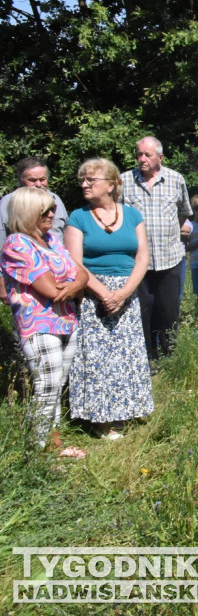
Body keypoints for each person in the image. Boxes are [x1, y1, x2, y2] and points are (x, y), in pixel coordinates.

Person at [65, 158, 154, 441]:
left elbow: (142, 256)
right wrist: (105, 294)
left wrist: (125, 293)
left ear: (112, 184)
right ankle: (100, 420)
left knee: (127, 356)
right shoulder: (77, 217)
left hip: (127, 294)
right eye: (83, 180)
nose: (84, 184)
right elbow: (75, 263)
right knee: (99, 358)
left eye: (91, 180)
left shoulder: (132, 215)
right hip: (94, 296)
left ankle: (127, 410)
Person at [2, 186, 88, 456]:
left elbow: (81, 272)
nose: (53, 213)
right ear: (28, 212)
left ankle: (54, 444)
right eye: (46, 210)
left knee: (56, 385)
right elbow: (50, 289)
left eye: (53, 208)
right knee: (46, 386)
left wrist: (75, 283)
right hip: (39, 325)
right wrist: (74, 285)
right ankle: (37, 451)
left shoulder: (50, 240)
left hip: (65, 321)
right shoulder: (17, 244)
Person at [120, 136, 192, 359]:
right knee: (143, 309)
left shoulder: (175, 179)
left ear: (160, 157)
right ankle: (147, 356)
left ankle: (170, 355)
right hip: (137, 261)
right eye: (139, 154)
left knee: (169, 309)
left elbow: (184, 212)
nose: (142, 159)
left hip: (169, 257)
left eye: (147, 155)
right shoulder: (124, 181)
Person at [0, 156, 69, 247]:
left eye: (42, 179)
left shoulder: (56, 200)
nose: (38, 184)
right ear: (21, 180)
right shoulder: (9, 202)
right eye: (32, 180)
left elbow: (66, 234)